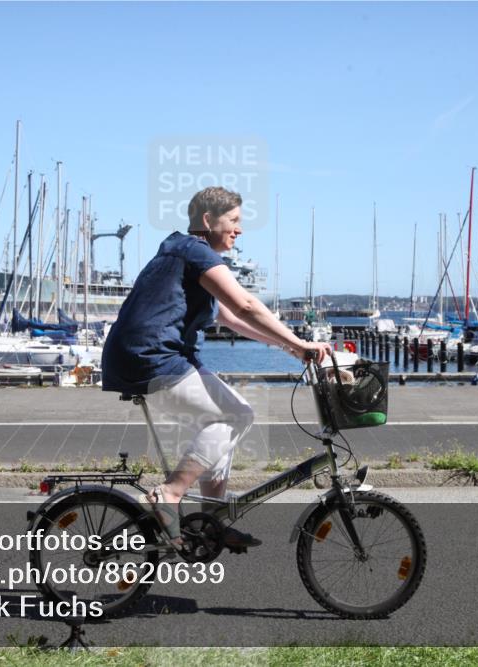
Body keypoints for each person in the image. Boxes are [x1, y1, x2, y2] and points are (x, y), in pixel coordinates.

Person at [102, 186, 331, 549]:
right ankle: (171, 493)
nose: (239, 230)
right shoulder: (194, 252)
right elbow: (246, 306)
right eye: (234, 221)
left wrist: (291, 348)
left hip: (156, 356)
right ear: (208, 221)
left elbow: (234, 321)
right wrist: (303, 343)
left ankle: (210, 522)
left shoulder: (187, 253)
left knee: (225, 426)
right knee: (235, 416)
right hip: (150, 357)